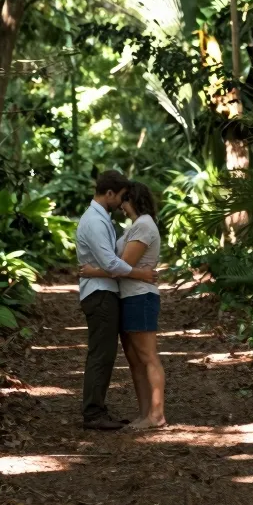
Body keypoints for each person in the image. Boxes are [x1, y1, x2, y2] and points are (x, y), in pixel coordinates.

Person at [79, 180, 166, 431]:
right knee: (134, 360)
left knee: (148, 356)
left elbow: (122, 266)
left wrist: (93, 271)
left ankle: (157, 414)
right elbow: (122, 265)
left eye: (124, 200)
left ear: (133, 200)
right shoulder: (134, 227)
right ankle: (144, 414)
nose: (121, 207)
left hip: (140, 295)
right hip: (129, 297)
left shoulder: (144, 225)